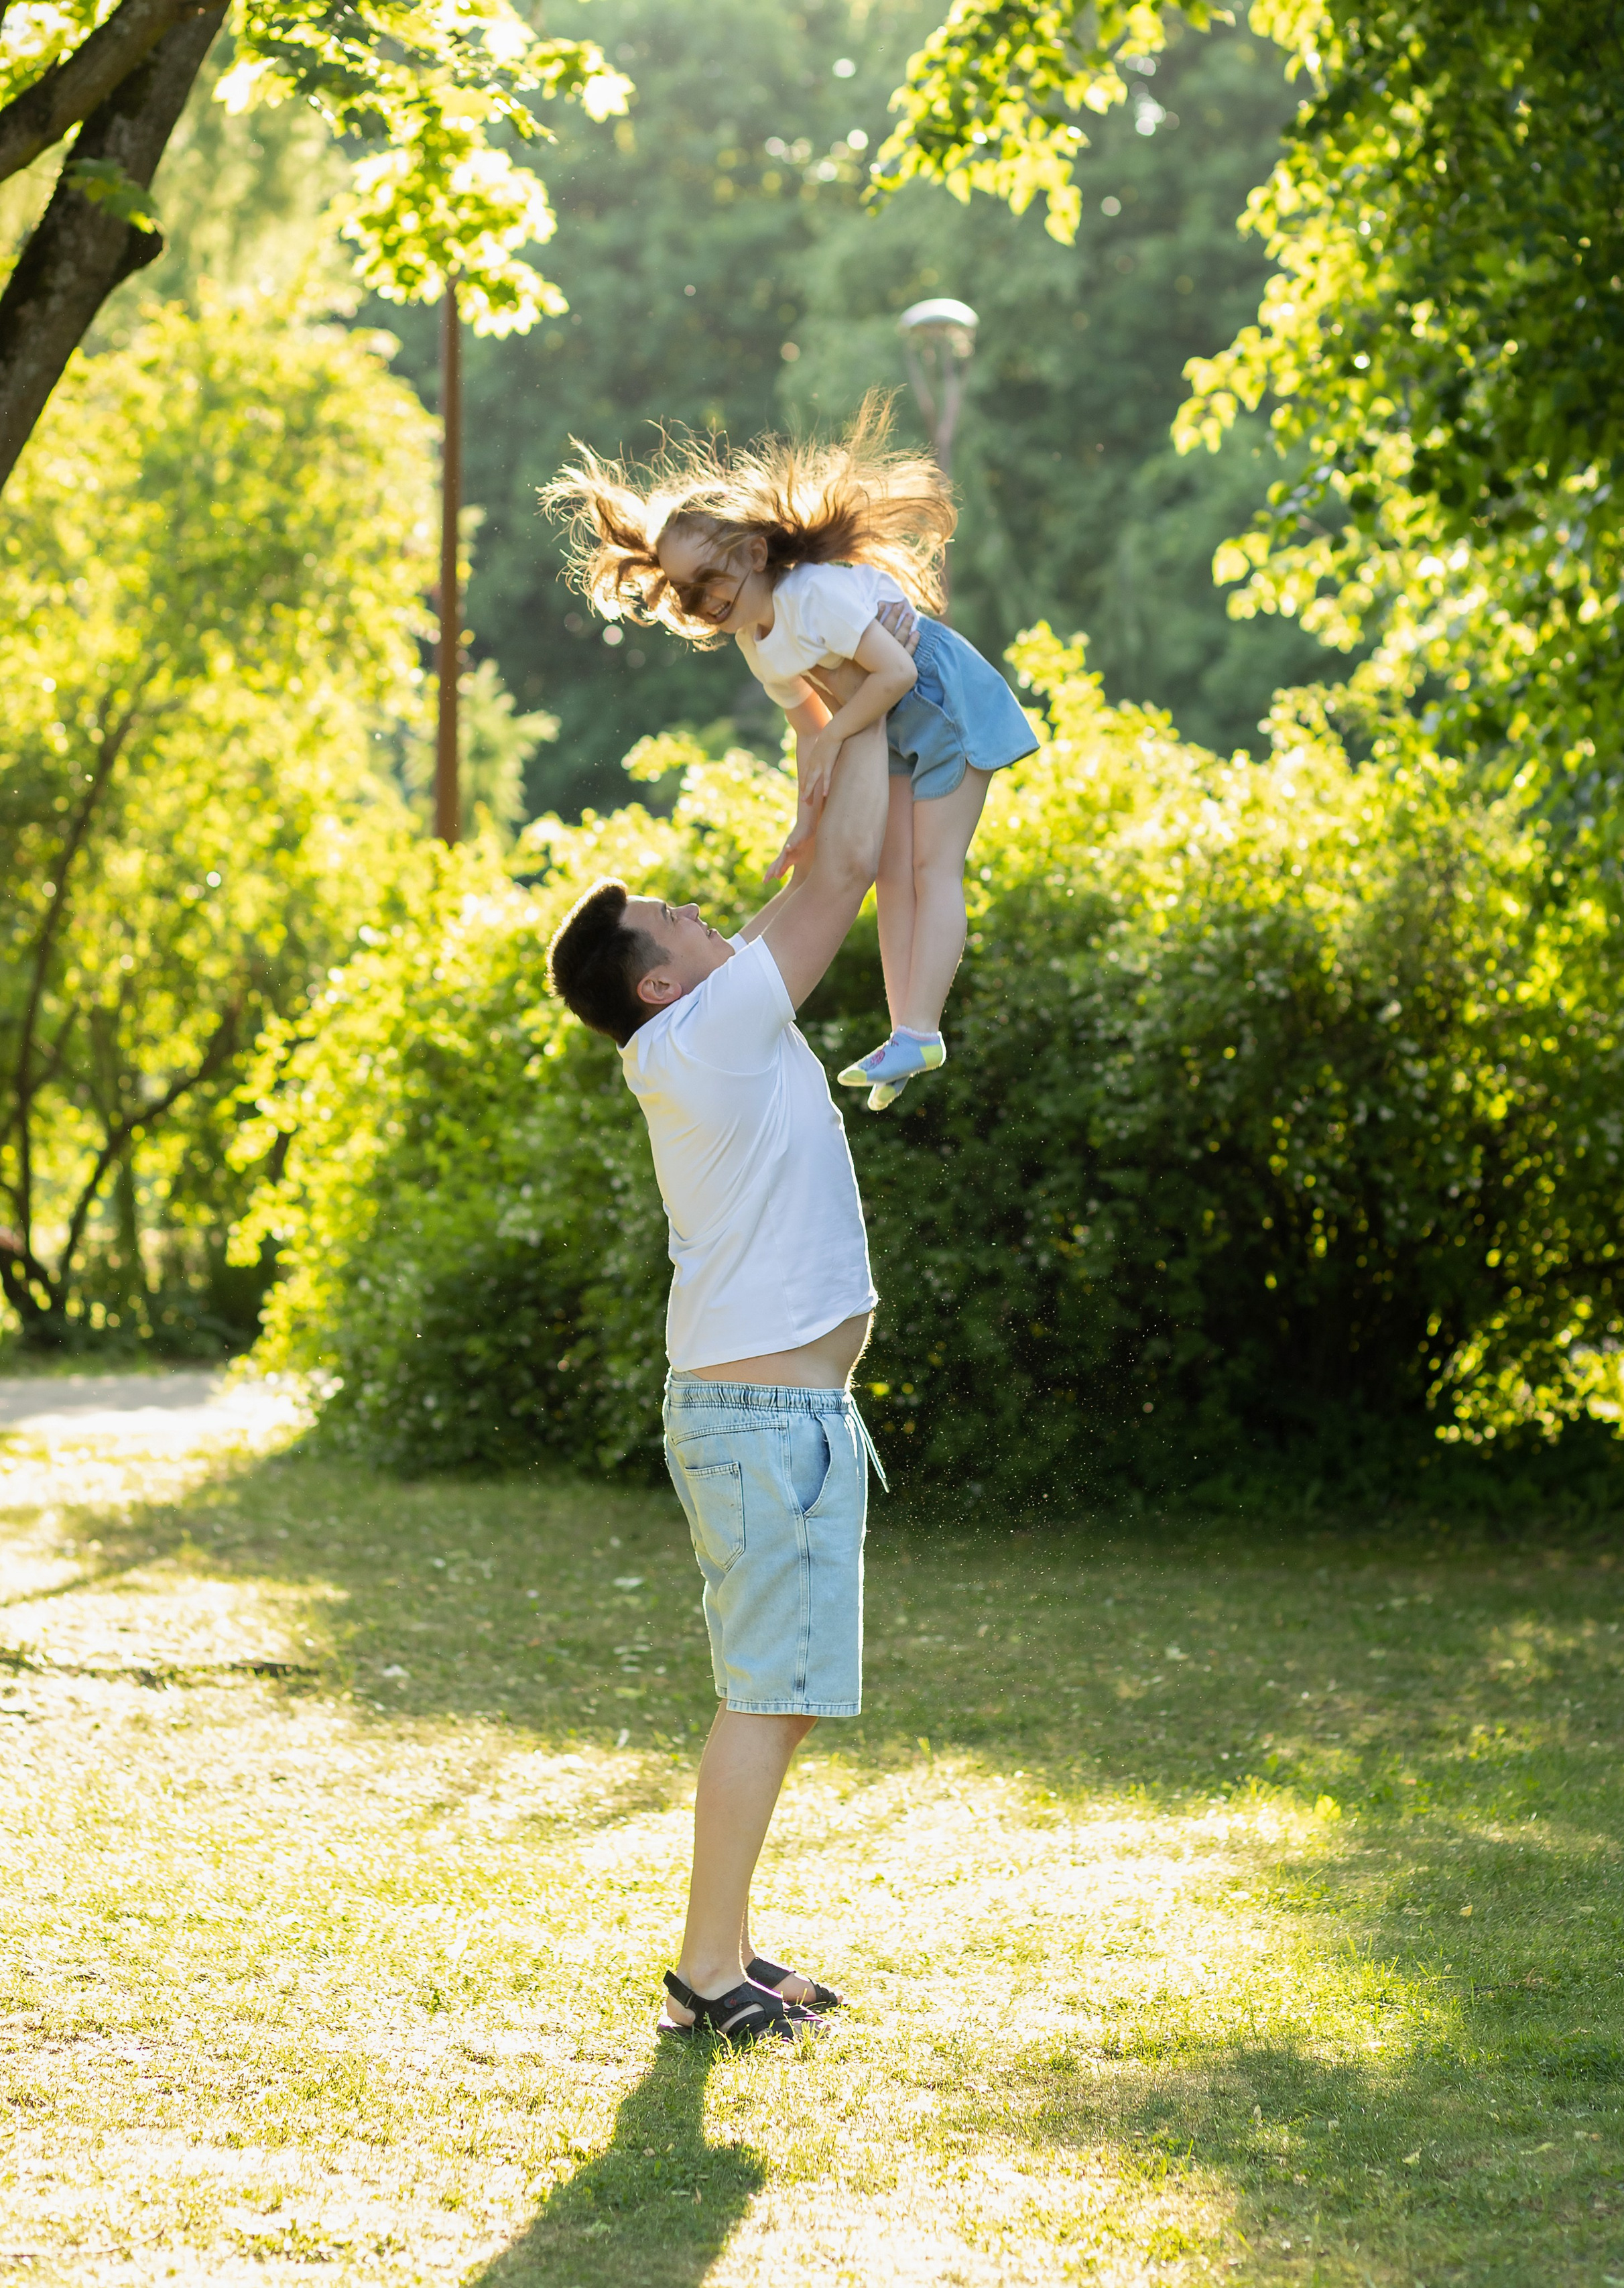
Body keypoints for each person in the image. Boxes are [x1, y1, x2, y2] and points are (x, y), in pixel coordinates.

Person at [546, 661, 897, 2048]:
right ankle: (707, 1972)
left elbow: (805, 869)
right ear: (655, 977)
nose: (702, 914)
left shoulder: (698, 1028)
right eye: (675, 919)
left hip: (767, 1411)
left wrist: (821, 717)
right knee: (771, 1692)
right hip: (764, 1415)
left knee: (782, 1690)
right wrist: (869, 695)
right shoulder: (713, 1029)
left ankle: (729, 1944)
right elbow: (853, 863)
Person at [541, 392, 1038, 1111]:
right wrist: (805, 821)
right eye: (683, 591)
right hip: (893, 721)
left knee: (932, 865)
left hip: (943, 702)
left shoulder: (814, 595)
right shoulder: (759, 643)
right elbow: (811, 730)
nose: (697, 602)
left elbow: (894, 673)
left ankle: (922, 1024)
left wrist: (840, 732)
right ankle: (909, 1032)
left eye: (709, 581)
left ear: (753, 553)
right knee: (894, 876)